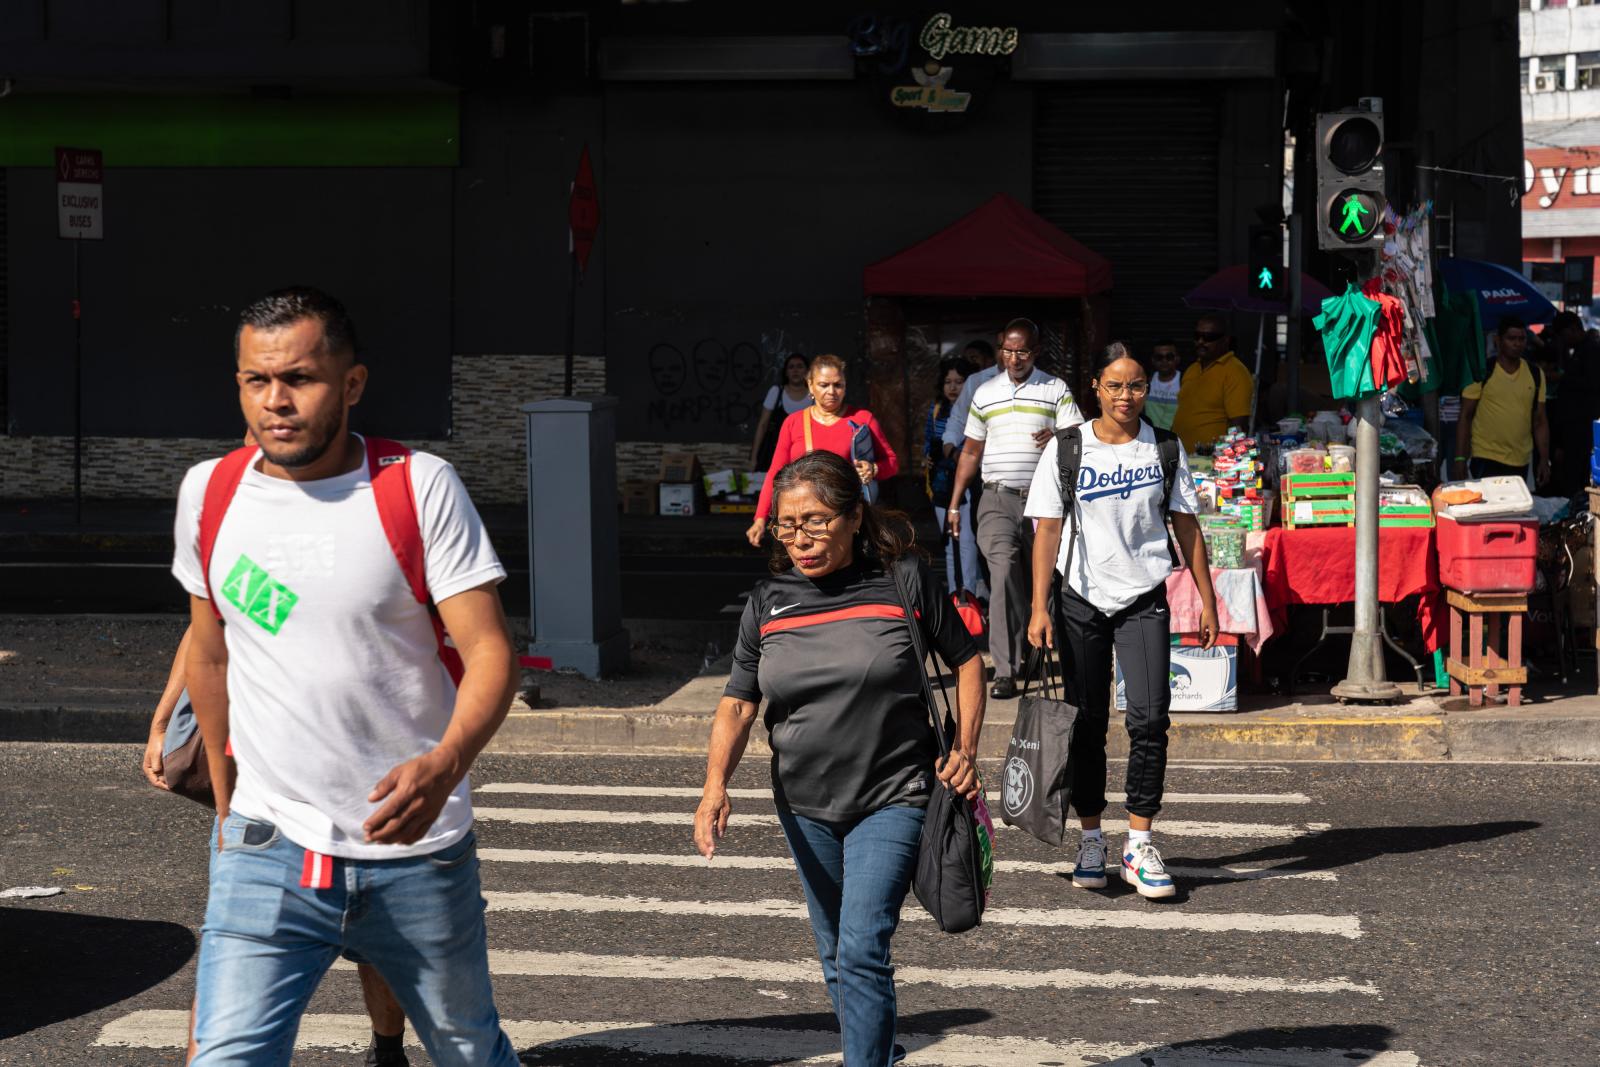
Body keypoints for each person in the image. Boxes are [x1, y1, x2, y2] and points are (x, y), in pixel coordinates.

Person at [176, 287, 520, 1066]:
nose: (276, 402)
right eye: (255, 381)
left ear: (353, 383)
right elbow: (209, 647)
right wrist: (231, 813)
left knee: (469, 1048)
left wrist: (446, 762)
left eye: (299, 378)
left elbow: (491, 650)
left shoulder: (417, 485)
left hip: (418, 852)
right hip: (269, 846)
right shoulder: (210, 491)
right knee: (225, 1055)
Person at [697, 450, 985, 1067]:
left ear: (854, 517)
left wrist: (965, 749)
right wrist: (713, 787)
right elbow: (738, 703)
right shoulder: (768, 600)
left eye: (816, 521)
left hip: (895, 791)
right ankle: (874, 1047)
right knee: (834, 951)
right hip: (803, 802)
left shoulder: (902, 580)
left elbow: (967, 661)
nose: (799, 538)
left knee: (860, 946)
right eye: (786, 524)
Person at [144, 624, 414, 1067]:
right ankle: (387, 1053)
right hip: (262, 801)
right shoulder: (254, 560)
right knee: (233, 965)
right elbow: (204, 631)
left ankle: (387, 1051)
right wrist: (162, 724)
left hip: (360, 792)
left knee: (375, 943)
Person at [1025, 343, 1218, 900]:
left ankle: (1139, 843)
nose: (1127, 396)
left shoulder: (1164, 447)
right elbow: (1046, 532)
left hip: (1143, 596)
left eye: (1135, 386)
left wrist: (1206, 599)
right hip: (1080, 599)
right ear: (1096, 388)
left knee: (1151, 720)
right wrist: (1039, 606)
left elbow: (1186, 526)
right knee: (1086, 723)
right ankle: (1091, 839)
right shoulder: (1067, 448)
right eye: (1115, 386)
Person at [946, 319, 1083, 699]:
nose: (1015, 357)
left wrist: (1058, 435)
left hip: (1046, 501)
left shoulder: (1055, 389)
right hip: (996, 499)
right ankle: (1005, 668)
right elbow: (971, 451)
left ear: (1035, 352)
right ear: (999, 351)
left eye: (1022, 351)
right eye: (1008, 350)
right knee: (1004, 573)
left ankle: (1040, 653)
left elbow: (1079, 437)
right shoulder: (984, 392)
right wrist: (955, 504)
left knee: (1044, 580)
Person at [747, 354, 898, 547]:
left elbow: (892, 463)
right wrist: (760, 517)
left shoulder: (862, 419)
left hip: (847, 519)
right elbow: (775, 473)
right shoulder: (794, 422)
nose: (832, 391)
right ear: (810, 385)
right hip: (805, 522)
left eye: (838, 385)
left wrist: (873, 469)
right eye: (824, 385)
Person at [1453, 315, 1551, 486]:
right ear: (1498, 340)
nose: (1517, 344)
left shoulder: (1536, 374)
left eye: (1521, 339)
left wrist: (1544, 460)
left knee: (1515, 510)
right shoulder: (1483, 372)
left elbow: (1540, 421)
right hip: (1485, 456)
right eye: (1511, 338)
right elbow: (1465, 416)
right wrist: (1460, 457)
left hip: (1520, 460)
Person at [925, 356, 984, 598]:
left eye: (958, 382)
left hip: (969, 480)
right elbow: (928, 440)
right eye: (948, 381)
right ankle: (954, 593)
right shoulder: (936, 409)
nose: (952, 387)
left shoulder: (977, 410)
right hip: (942, 482)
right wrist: (927, 456)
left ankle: (970, 592)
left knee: (968, 540)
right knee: (950, 541)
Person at [1171, 312, 1254, 451]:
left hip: (1211, 462)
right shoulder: (1192, 369)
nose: (1201, 342)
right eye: (1197, 336)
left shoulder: (1236, 371)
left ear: (1225, 340)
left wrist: (1227, 463)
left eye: (1209, 337)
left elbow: (1239, 426)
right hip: (1181, 456)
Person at [749, 353, 813, 471]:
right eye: (791, 367)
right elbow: (763, 425)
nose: (795, 370)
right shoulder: (776, 392)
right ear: (786, 372)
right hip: (776, 455)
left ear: (807, 371)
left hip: (806, 457)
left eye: (799, 366)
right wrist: (754, 458)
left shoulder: (815, 395)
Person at [1143, 339, 1181, 431]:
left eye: (1169, 357)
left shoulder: (1184, 381)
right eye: (1159, 357)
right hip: (1150, 437)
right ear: (1153, 360)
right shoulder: (1147, 381)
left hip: (1175, 438)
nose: (1164, 361)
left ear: (1177, 359)